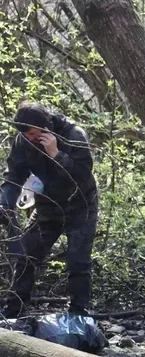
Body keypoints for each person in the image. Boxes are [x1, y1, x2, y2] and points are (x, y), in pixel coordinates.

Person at [1, 101, 97, 318]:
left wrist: (56, 153)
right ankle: (13, 310)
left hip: (80, 206)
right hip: (47, 206)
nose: (30, 139)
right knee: (26, 255)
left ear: (46, 126)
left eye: (34, 134)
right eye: (26, 135)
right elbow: (14, 175)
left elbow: (82, 174)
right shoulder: (23, 141)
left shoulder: (73, 135)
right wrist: (4, 203)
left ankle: (79, 315)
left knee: (78, 261)